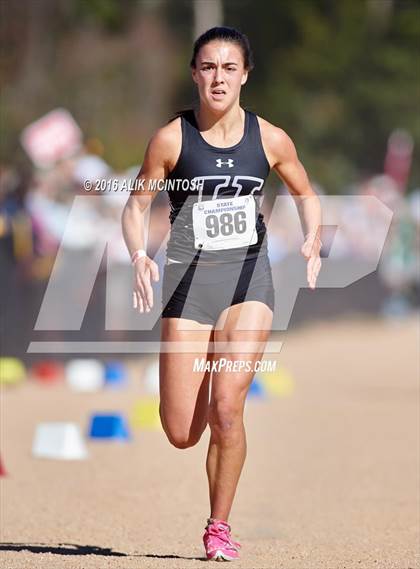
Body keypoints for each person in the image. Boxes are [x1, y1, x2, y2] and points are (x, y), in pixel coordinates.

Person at [122, 26, 322, 562]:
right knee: (182, 431)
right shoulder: (171, 138)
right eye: (208, 67)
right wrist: (139, 254)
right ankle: (206, 393)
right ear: (194, 73)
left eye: (229, 67)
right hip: (189, 287)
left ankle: (218, 527)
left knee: (229, 411)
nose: (218, 77)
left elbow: (305, 192)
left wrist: (312, 237)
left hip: (248, 283)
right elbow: (136, 205)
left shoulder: (271, 138)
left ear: (245, 75)